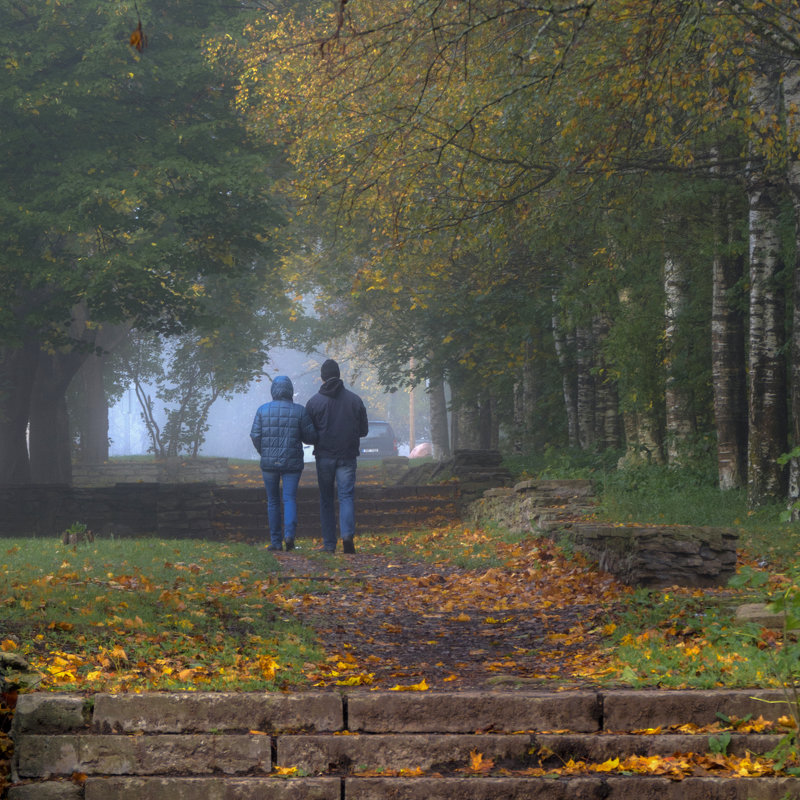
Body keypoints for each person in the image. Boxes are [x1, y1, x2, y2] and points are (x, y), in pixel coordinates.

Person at [305, 359, 368, 553]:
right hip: (347, 455)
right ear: (339, 375)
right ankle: (347, 536)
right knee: (346, 496)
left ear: (323, 377)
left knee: (326, 499)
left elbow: (309, 435)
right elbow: (364, 431)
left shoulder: (314, 402)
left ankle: (330, 544)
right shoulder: (355, 400)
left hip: (324, 456)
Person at [250, 375, 318, 552]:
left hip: (268, 464)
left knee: (272, 501)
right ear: (290, 390)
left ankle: (275, 542)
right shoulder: (300, 411)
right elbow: (311, 437)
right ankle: (289, 536)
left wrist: (264, 452)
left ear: (273, 390)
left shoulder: (262, 410)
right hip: (292, 462)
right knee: (289, 499)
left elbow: (255, 435)